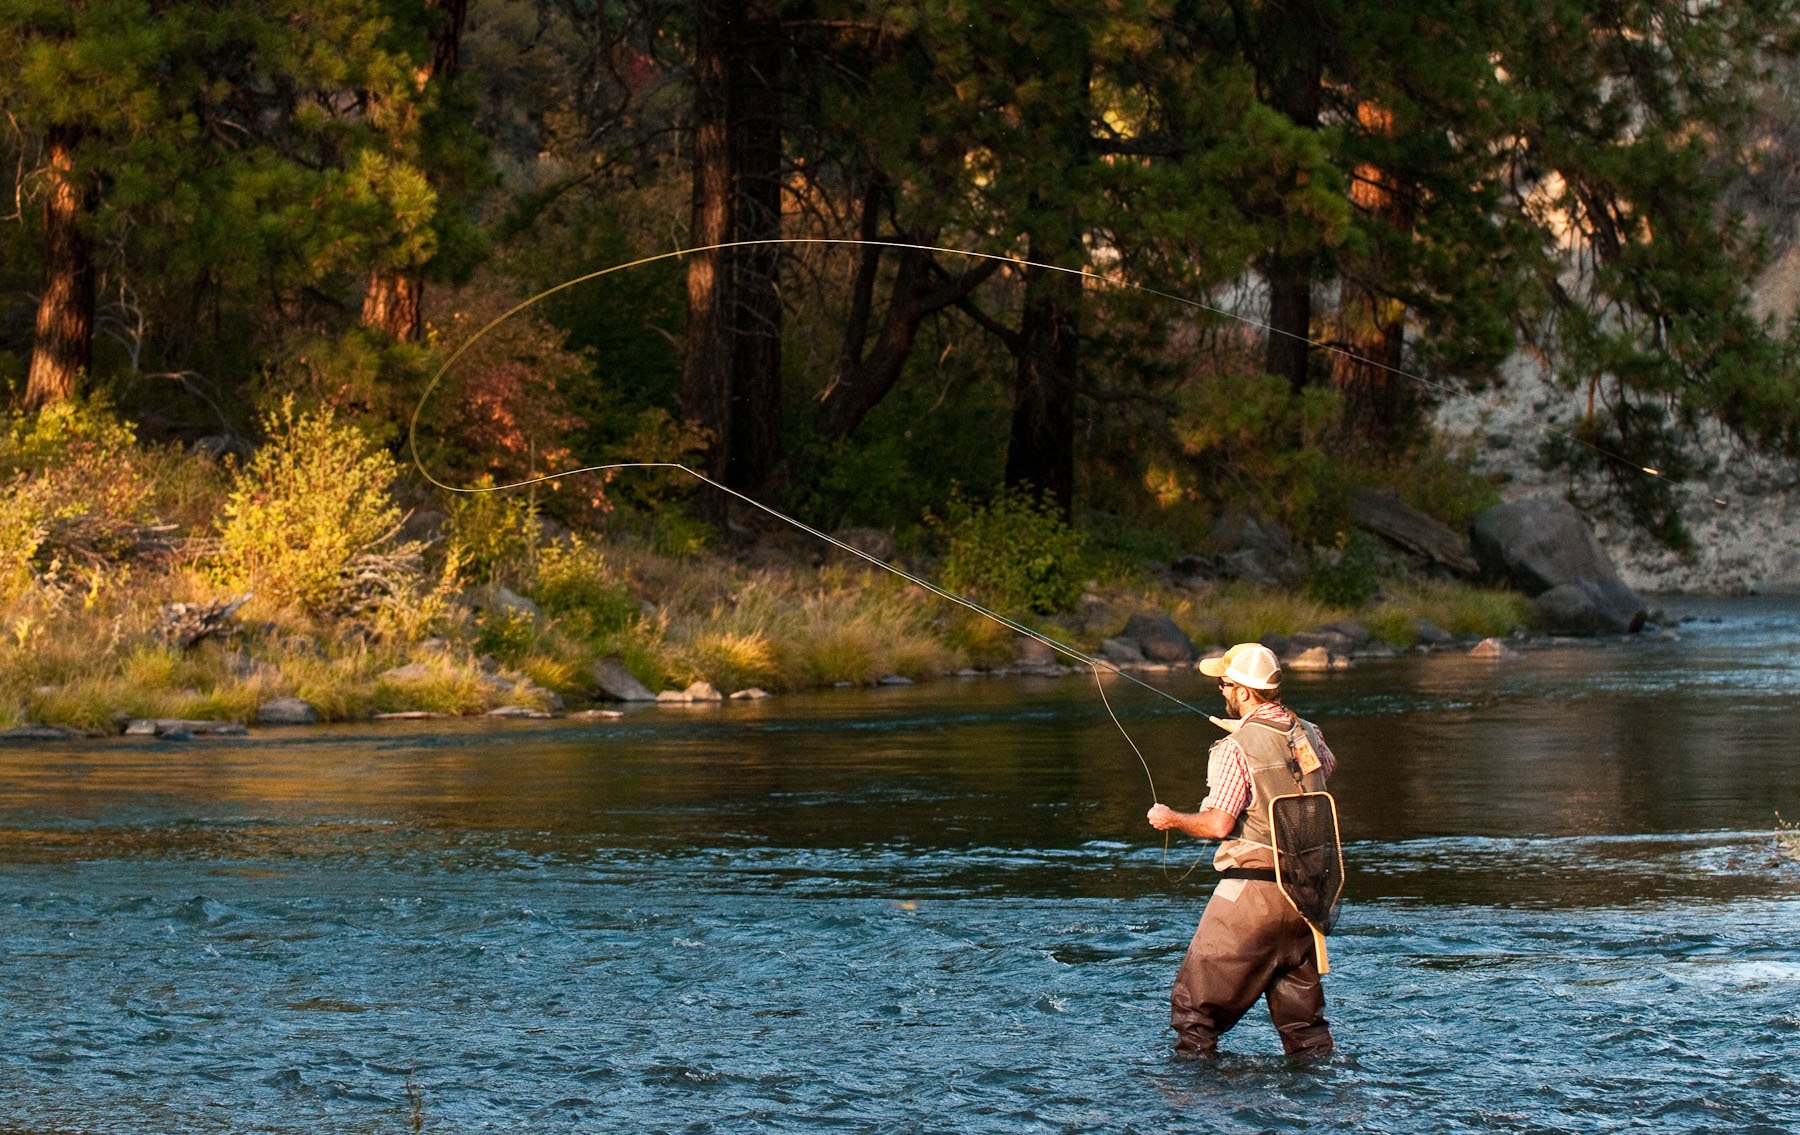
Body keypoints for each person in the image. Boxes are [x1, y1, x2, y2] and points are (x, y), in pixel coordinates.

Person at [1146, 642, 1338, 1059]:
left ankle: (1196, 1106)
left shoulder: (1234, 749)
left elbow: (1218, 824)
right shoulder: (1309, 732)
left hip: (1253, 898)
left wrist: (1171, 818)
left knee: (1192, 1010)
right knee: (1304, 1028)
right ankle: (1316, 1108)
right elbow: (1323, 770)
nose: (1222, 690)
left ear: (1245, 693)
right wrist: (1258, 736)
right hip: (1307, 898)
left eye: (1225, 684)